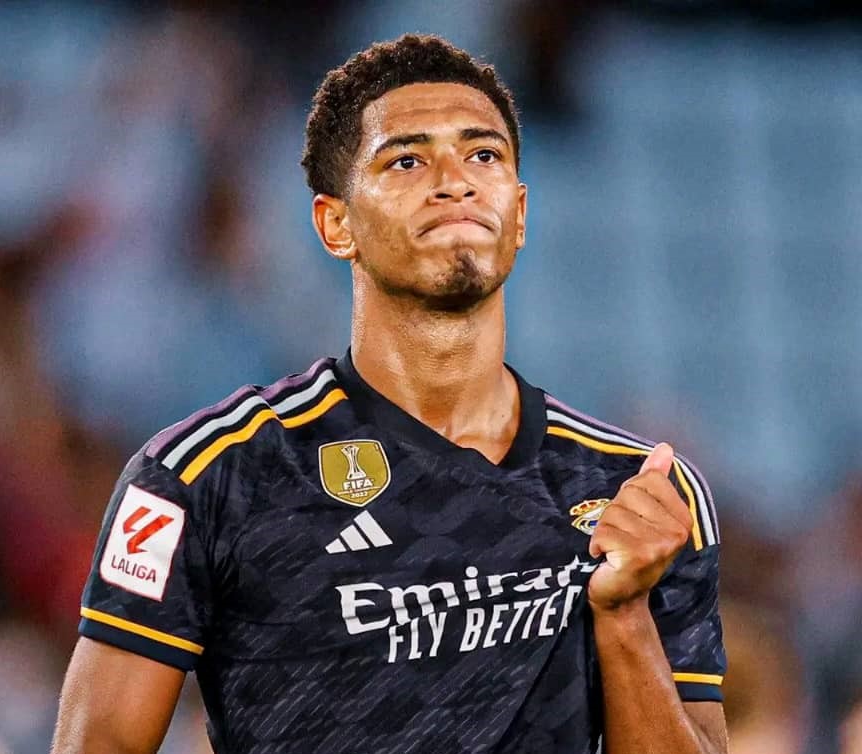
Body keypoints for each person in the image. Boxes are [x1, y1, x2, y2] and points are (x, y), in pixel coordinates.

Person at [51, 34, 727, 754]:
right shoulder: (208, 475)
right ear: (335, 224)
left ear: (520, 213)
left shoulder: (640, 492)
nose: (456, 182)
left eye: (484, 156)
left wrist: (624, 614)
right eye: (407, 160)